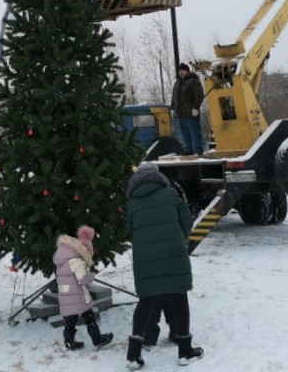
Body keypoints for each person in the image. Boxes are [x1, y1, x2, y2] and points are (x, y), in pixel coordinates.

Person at [125, 161, 203, 369]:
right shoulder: (171, 195)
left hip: (146, 258)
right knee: (180, 299)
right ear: (158, 176)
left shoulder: (132, 202)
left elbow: (131, 232)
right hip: (173, 254)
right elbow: (187, 225)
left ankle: (133, 355)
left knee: (146, 302)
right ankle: (185, 350)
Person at [53, 225, 114, 351]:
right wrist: (91, 275)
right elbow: (83, 279)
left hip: (66, 296)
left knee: (70, 320)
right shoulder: (76, 261)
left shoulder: (63, 259)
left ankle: (69, 342)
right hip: (78, 296)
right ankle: (98, 340)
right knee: (89, 317)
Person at [171, 63, 205, 156]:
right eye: (179, 71)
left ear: (187, 71)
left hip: (191, 113)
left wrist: (196, 108)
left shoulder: (194, 81)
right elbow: (173, 98)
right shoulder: (176, 84)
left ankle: (199, 151)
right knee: (185, 134)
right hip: (181, 114)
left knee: (195, 133)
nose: (181, 72)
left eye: (183, 70)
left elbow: (199, 95)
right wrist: (172, 108)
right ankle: (189, 150)